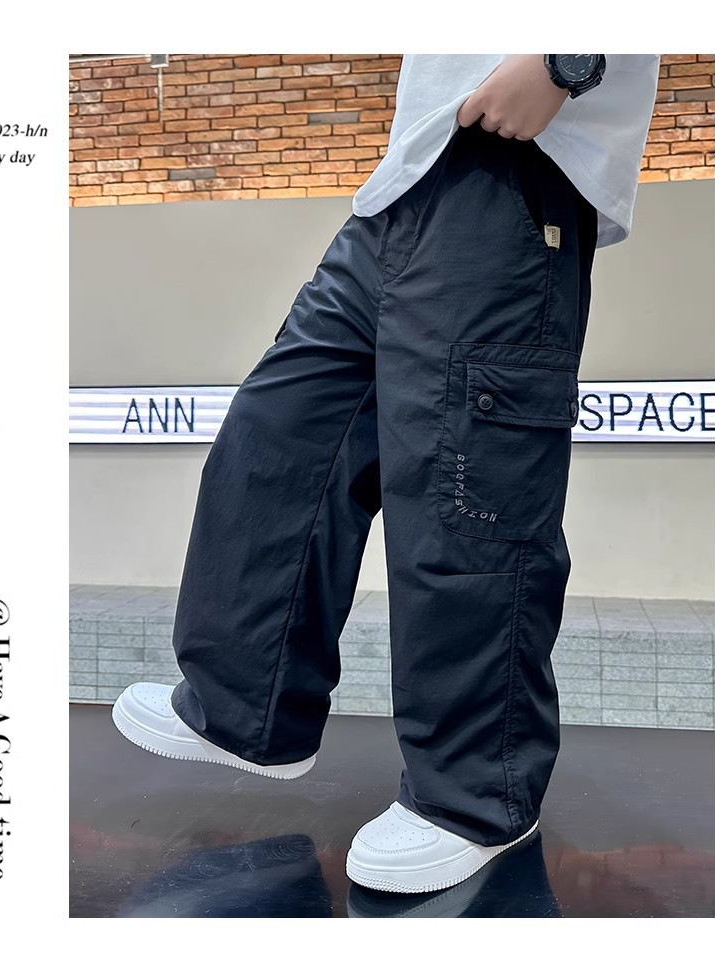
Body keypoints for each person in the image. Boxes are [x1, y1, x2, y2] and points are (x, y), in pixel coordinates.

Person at [111, 53, 662, 894]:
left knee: (466, 494)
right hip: (403, 181)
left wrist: (566, 58)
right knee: (281, 434)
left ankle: (476, 798)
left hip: (515, 164)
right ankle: (248, 708)